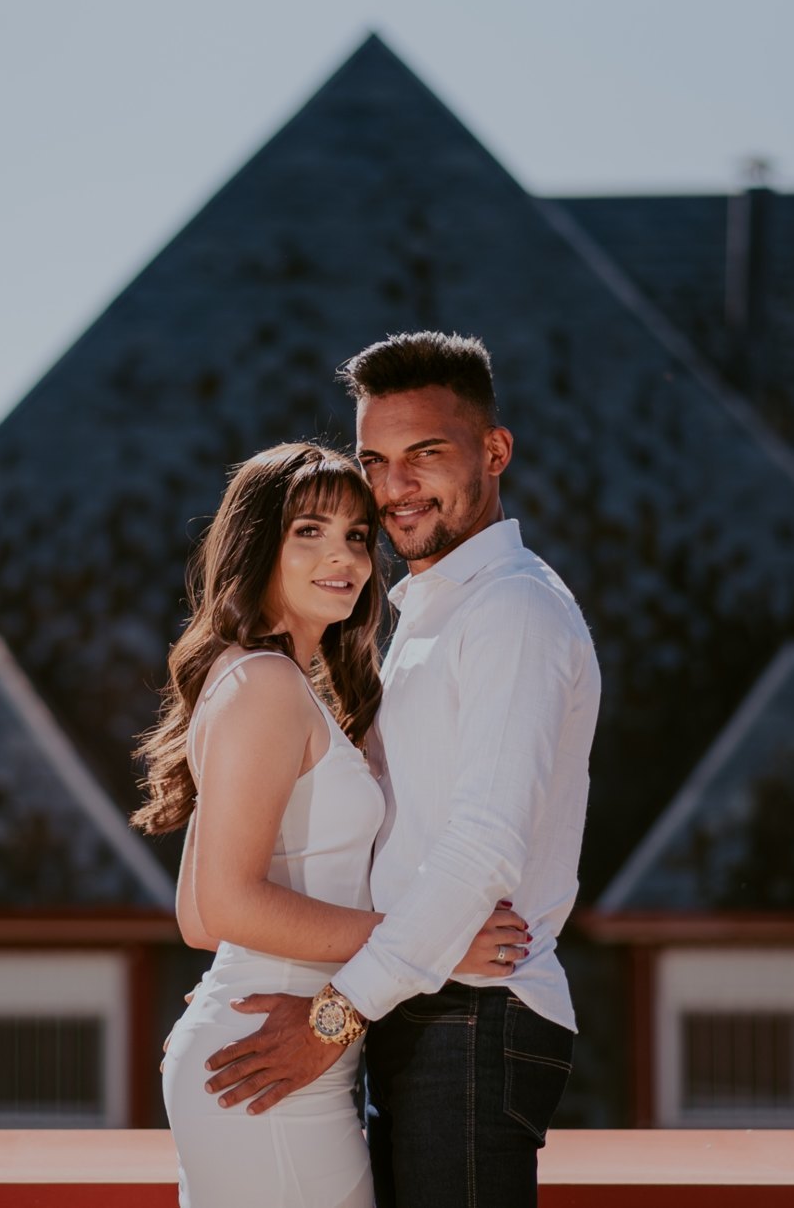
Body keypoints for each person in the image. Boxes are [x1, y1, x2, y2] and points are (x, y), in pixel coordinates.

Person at [200, 334, 602, 1208]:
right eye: (376, 461)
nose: (395, 486)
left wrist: (331, 1016)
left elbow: (482, 847)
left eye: (426, 454)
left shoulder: (512, 610)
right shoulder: (425, 615)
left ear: (494, 451)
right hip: (417, 1003)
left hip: (475, 1013)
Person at [135, 441, 530, 1208]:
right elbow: (225, 906)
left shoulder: (262, 679)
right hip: (265, 1067)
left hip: (269, 1052)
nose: (343, 556)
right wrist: (430, 943)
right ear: (258, 546)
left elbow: (196, 918)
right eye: (309, 531)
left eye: (356, 534)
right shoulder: (264, 685)